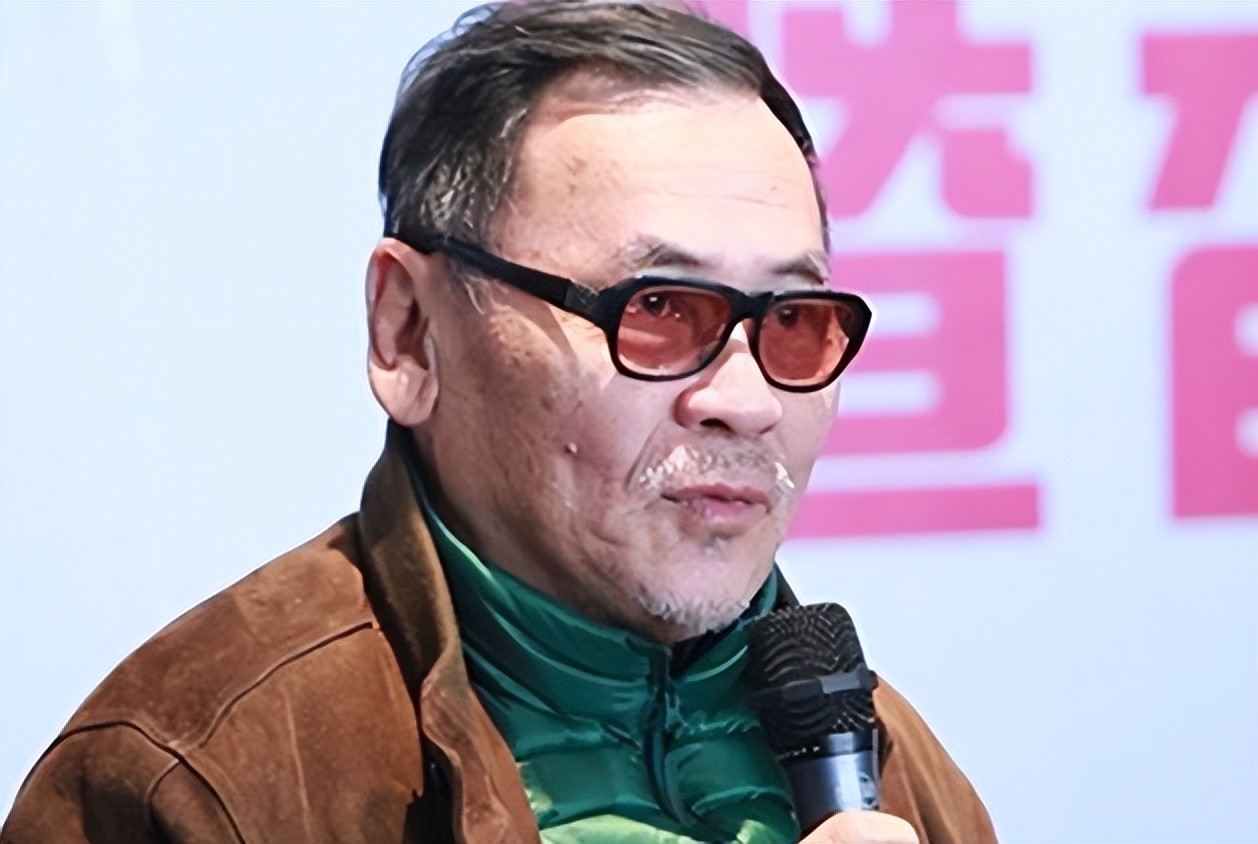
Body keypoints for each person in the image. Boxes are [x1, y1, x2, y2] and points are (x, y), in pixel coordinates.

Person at [2, 2, 996, 842]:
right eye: (655, 307)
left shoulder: (883, 767)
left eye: (791, 321)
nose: (746, 401)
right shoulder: (202, 773)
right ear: (409, 331)